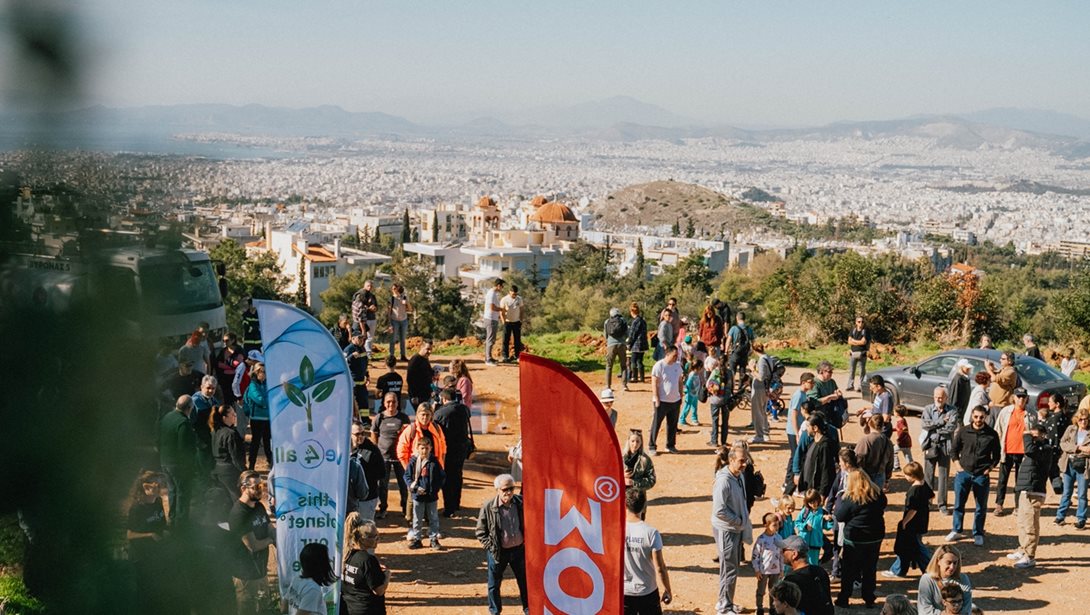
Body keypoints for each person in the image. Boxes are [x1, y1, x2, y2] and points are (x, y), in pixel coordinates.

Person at [476, 473, 529, 615]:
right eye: (505, 489)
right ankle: (495, 611)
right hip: (499, 552)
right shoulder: (489, 507)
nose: (508, 492)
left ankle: (528, 609)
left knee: (524, 583)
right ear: (497, 490)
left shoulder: (521, 503)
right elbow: (480, 531)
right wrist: (491, 546)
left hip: (519, 551)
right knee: (494, 584)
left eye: (511, 488)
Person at [1011, 396, 1054, 569]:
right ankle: (1022, 549)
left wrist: (1027, 435)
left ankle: (1030, 556)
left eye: (1037, 436)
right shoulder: (1037, 448)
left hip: (1034, 491)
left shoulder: (1045, 449)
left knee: (1030, 523)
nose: (1033, 439)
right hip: (1025, 489)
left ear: (1043, 436)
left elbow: (1029, 450)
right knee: (1022, 521)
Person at [833, 469, 886, 609]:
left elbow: (839, 516)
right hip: (875, 537)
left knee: (849, 569)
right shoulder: (878, 494)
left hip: (855, 539)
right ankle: (869, 598)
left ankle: (844, 598)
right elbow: (883, 506)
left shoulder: (850, 498)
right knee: (870, 568)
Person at [948, 406, 1001, 546]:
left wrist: (989, 468)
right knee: (959, 504)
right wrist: (958, 466)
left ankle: (978, 533)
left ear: (986, 417)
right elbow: (953, 450)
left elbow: (996, 456)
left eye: (981, 417)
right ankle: (956, 530)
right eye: (976, 416)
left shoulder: (992, 434)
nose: (978, 420)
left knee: (980, 507)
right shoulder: (963, 431)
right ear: (972, 416)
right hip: (963, 473)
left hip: (981, 475)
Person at [711, 446, 753, 615]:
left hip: (734, 528)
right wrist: (739, 521)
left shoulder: (738, 476)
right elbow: (719, 510)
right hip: (726, 529)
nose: (744, 464)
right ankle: (724, 606)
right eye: (741, 461)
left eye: (746, 460)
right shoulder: (724, 481)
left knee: (731, 567)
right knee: (729, 568)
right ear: (731, 460)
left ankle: (725, 601)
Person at [229, 471, 274, 615]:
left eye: (261, 485)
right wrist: (272, 540)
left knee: (264, 609)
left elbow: (269, 527)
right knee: (247, 611)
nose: (260, 489)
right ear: (243, 488)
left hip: (260, 571)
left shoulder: (259, 506)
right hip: (246, 575)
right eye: (255, 487)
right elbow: (253, 546)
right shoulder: (239, 514)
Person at [623, 487, 673, 614]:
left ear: (625, 505)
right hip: (647, 592)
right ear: (644, 506)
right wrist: (667, 589)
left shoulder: (616, 530)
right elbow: (660, 567)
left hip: (624, 592)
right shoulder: (651, 533)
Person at [884, 461, 934, 578]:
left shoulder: (914, 491)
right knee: (912, 546)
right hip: (922, 520)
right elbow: (931, 496)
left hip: (913, 523)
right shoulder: (923, 484)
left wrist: (904, 522)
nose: (905, 477)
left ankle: (930, 570)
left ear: (912, 476)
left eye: (906, 475)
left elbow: (912, 510)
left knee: (913, 547)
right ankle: (899, 570)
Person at [371, 392, 411, 520]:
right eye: (388, 402)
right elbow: (374, 434)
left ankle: (405, 508)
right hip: (384, 457)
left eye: (393, 402)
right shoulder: (379, 418)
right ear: (384, 403)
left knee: (404, 484)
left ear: (398, 403)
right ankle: (383, 508)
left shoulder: (403, 418)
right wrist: (376, 451)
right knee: (383, 485)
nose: (391, 404)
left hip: (400, 457)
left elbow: (409, 436)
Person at [434, 386, 472, 517]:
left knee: (448, 479)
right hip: (462, 448)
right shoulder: (464, 409)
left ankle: (449, 508)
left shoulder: (441, 413)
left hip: (448, 450)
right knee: (457, 475)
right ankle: (456, 503)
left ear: (444, 399)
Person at [159, 395, 198, 524]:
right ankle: (181, 523)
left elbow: (158, 438)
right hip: (178, 465)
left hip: (165, 461)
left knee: (172, 491)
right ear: (189, 408)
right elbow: (185, 448)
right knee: (183, 493)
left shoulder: (166, 417)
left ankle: (172, 517)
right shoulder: (183, 423)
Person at [342, 513, 391, 615]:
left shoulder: (346, 555)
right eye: (375, 537)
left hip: (348, 609)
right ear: (363, 539)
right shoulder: (368, 560)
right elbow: (379, 590)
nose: (378, 539)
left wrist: (374, 570)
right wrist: (387, 575)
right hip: (368, 610)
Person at [921, 386, 959, 515]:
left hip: (944, 446)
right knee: (928, 475)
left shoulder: (952, 411)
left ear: (946, 398)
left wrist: (934, 426)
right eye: (936, 396)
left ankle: (942, 504)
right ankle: (927, 502)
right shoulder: (927, 409)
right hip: (930, 445)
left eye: (941, 397)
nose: (938, 398)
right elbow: (925, 424)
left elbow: (951, 428)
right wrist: (941, 421)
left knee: (943, 477)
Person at [403, 434, 446, 549]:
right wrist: (415, 488)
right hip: (417, 496)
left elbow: (442, 477)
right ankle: (417, 539)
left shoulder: (434, 462)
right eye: (422, 448)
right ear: (417, 448)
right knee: (417, 519)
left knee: (433, 518)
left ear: (431, 448)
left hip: (431, 496)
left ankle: (433, 539)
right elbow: (407, 476)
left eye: (427, 448)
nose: (424, 451)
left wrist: (435, 489)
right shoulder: (413, 462)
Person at [994, 387, 1030, 516]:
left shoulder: (1030, 414)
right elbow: (997, 430)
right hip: (1007, 450)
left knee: (1020, 481)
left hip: (1023, 452)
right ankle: (999, 505)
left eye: (1023, 397)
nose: (1021, 399)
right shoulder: (1005, 411)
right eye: (1018, 396)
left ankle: (1018, 506)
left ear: (1026, 398)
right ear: (1013, 398)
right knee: (1002, 480)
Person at [780, 535, 834, 615]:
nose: (781, 552)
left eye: (783, 550)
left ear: (794, 554)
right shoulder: (821, 571)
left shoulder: (791, 580)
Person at [1056, 407, 1090, 529]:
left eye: (1086, 419)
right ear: (1077, 419)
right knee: (1066, 492)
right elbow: (1063, 444)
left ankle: (1081, 519)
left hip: (1083, 466)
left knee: (1082, 494)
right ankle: (1060, 516)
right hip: (1069, 464)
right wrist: (1079, 448)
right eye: (1081, 419)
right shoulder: (1071, 429)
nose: (1083, 422)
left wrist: (1076, 450)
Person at [782, 372, 814, 495]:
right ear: (803, 382)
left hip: (797, 430)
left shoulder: (804, 394)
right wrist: (796, 433)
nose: (812, 384)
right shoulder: (798, 395)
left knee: (794, 456)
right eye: (810, 382)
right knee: (797, 457)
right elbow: (793, 415)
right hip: (793, 430)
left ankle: (788, 481)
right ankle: (789, 483)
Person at [917, 545, 973, 615]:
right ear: (938, 561)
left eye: (955, 563)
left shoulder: (963, 579)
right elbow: (924, 609)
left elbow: (967, 608)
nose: (952, 567)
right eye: (948, 562)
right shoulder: (927, 580)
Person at [649, 344, 684, 455]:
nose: (676, 357)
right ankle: (652, 446)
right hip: (662, 401)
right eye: (674, 355)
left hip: (675, 400)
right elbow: (654, 381)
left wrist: (681, 394)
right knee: (657, 423)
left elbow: (680, 381)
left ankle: (670, 445)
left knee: (672, 424)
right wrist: (656, 397)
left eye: (677, 355)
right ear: (667, 354)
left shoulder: (677, 366)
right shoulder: (659, 366)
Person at [282, 542, 335, 615]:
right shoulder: (313, 589)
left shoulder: (297, 579)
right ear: (320, 564)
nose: (329, 561)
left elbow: (284, 607)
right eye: (326, 559)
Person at [210, 405, 246, 500]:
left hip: (219, 470)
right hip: (231, 472)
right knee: (237, 499)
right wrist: (245, 472)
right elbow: (236, 457)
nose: (235, 416)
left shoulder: (215, 431)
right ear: (224, 417)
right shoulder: (230, 434)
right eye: (233, 414)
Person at [797, 414, 837, 498]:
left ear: (815, 428)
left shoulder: (824, 446)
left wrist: (822, 493)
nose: (806, 429)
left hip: (817, 491)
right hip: (810, 489)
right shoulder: (813, 442)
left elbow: (826, 469)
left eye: (808, 426)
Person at [752, 512, 785, 615]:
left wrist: (782, 569)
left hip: (775, 570)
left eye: (778, 524)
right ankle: (759, 607)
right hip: (763, 571)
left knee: (773, 590)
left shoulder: (779, 538)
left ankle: (773, 608)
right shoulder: (761, 540)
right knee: (761, 590)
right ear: (766, 525)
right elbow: (755, 555)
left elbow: (781, 554)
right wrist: (757, 570)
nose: (777, 527)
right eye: (774, 525)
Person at [351, 421, 384, 521]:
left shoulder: (372, 450)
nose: (360, 436)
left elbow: (382, 473)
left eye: (363, 433)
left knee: (365, 528)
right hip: (351, 499)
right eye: (357, 434)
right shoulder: (344, 448)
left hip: (367, 498)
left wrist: (362, 475)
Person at [243, 362, 271, 471]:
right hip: (257, 419)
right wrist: (270, 400)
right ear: (256, 372)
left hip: (268, 418)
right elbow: (260, 400)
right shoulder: (252, 385)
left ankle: (271, 464)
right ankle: (251, 466)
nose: (263, 374)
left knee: (267, 442)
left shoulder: (267, 384)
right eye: (261, 371)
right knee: (255, 443)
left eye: (265, 372)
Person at [855, 414, 894, 489]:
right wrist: (887, 479)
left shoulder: (866, 440)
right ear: (883, 425)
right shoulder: (888, 441)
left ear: (869, 424)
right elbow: (890, 462)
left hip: (865, 475)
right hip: (880, 476)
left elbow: (858, 458)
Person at [706, 356, 735, 448]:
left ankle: (714, 441)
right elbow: (732, 386)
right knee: (725, 421)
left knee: (715, 420)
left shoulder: (715, 371)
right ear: (727, 362)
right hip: (726, 400)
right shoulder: (730, 372)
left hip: (715, 399)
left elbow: (708, 384)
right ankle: (723, 441)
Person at [794, 489, 828, 566]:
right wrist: (805, 526)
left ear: (818, 500)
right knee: (802, 564)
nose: (813, 504)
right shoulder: (805, 511)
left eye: (815, 501)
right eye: (810, 502)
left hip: (815, 544)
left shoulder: (822, 512)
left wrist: (829, 520)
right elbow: (797, 523)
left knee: (813, 565)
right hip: (803, 544)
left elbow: (827, 527)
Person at [725, 311, 755, 390]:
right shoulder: (749, 329)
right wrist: (751, 351)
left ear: (737, 318)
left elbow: (728, 341)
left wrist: (726, 351)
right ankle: (740, 390)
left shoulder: (734, 328)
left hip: (735, 353)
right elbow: (753, 342)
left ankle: (731, 389)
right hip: (744, 353)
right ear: (744, 318)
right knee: (742, 372)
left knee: (732, 372)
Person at [344, 332, 370, 421]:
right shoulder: (348, 349)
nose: (361, 340)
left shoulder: (362, 349)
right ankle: (353, 421)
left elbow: (365, 363)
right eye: (359, 338)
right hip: (353, 382)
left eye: (362, 338)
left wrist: (367, 375)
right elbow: (343, 363)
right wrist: (351, 356)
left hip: (362, 382)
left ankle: (365, 420)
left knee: (364, 402)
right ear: (353, 339)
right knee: (352, 404)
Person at [749, 342, 772, 443]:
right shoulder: (768, 358)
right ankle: (765, 433)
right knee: (763, 411)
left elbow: (761, 377)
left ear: (754, 350)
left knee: (757, 412)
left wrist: (752, 370)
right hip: (766, 388)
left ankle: (759, 435)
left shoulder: (762, 360)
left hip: (759, 388)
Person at [604, 306, 630, 391]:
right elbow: (627, 334)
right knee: (623, 366)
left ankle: (608, 386)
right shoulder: (623, 321)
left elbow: (605, 335)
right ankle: (624, 385)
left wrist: (609, 342)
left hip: (611, 345)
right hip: (622, 345)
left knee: (609, 366)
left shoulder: (607, 321)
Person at [352, 279, 379, 359]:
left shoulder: (372, 296)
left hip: (371, 318)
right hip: (362, 320)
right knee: (360, 339)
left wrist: (374, 308)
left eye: (371, 286)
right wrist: (368, 308)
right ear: (364, 286)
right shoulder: (361, 294)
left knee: (369, 337)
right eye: (368, 286)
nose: (369, 288)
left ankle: (367, 355)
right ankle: (363, 356)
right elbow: (359, 311)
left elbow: (376, 307)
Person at [405, 340, 434, 408]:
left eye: (431, 349)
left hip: (426, 394)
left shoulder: (425, 358)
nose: (430, 352)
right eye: (428, 349)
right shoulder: (415, 361)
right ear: (421, 347)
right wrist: (414, 396)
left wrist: (434, 373)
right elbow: (410, 379)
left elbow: (429, 372)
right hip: (418, 396)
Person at [483, 278, 505, 366]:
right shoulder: (492, 294)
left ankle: (489, 357)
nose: (502, 288)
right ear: (498, 285)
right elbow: (492, 307)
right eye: (502, 286)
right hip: (490, 319)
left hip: (492, 318)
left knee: (491, 339)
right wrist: (502, 310)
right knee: (490, 339)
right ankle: (488, 359)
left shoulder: (493, 293)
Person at [499, 285, 524, 363]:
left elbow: (522, 309)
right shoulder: (504, 299)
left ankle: (517, 356)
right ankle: (505, 356)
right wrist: (503, 322)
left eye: (516, 294)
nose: (514, 295)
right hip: (507, 322)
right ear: (509, 292)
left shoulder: (519, 299)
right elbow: (501, 312)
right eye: (513, 294)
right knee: (505, 340)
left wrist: (521, 320)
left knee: (517, 340)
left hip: (516, 322)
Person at [846, 315, 870, 391]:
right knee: (851, 370)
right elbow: (849, 341)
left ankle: (861, 387)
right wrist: (858, 342)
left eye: (862, 322)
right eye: (859, 322)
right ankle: (850, 385)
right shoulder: (853, 330)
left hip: (862, 354)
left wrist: (854, 341)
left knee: (862, 372)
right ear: (856, 322)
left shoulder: (865, 331)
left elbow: (864, 342)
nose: (861, 323)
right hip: (853, 353)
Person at [388, 282, 411, 362]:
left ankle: (403, 355)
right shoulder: (391, 298)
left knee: (402, 339)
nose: (393, 290)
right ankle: (391, 356)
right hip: (394, 321)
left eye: (395, 288)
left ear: (398, 289)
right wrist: (389, 323)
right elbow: (389, 311)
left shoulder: (404, 297)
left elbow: (410, 309)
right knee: (393, 339)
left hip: (404, 320)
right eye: (392, 289)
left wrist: (406, 303)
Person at [627, 303, 649, 383]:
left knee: (633, 361)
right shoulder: (643, 321)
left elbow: (633, 333)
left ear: (632, 312)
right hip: (643, 344)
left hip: (636, 344)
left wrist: (629, 343)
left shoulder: (635, 321)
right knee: (640, 361)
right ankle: (642, 378)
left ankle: (635, 377)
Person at [679, 357, 704, 427]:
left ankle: (694, 419)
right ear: (698, 367)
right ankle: (682, 419)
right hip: (690, 394)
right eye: (701, 367)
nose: (702, 369)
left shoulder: (697, 374)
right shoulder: (692, 374)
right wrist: (686, 391)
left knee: (694, 407)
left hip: (695, 394)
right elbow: (688, 384)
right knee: (687, 407)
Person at [893, 404, 913, 471]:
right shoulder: (903, 419)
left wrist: (899, 438)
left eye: (894, 411)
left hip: (902, 442)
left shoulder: (900, 422)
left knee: (893, 451)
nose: (894, 413)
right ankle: (912, 468)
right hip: (907, 441)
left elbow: (903, 428)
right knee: (908, 456)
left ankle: (896, 466)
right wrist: (893, 429)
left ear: (897, 413)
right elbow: (899, 428)